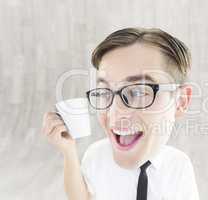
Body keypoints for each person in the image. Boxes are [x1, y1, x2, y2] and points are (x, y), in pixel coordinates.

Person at [42, 27, 199, 200]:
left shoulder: (178, 166)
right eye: (104, 92)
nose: (114, 114)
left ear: (181, 102)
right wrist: (68, 151)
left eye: (138, 92)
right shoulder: (97, 155)